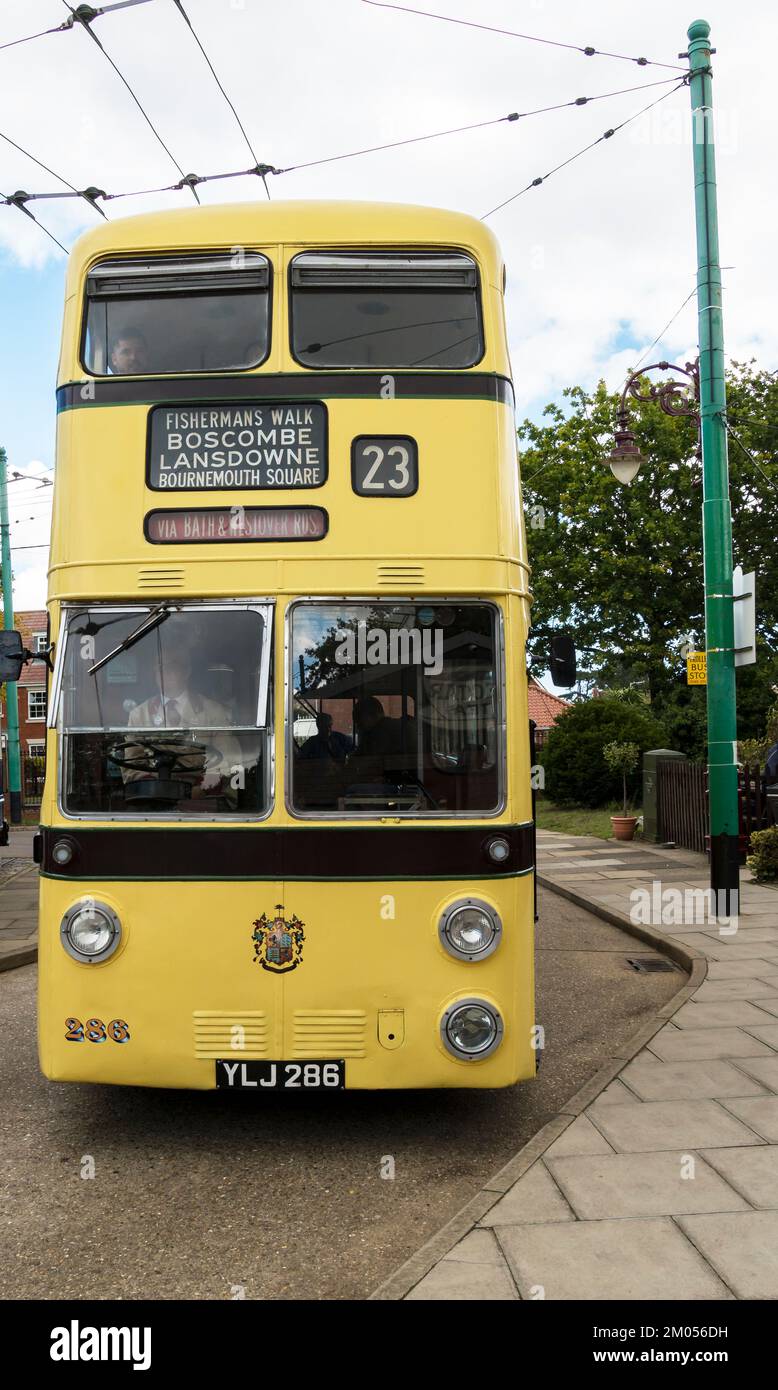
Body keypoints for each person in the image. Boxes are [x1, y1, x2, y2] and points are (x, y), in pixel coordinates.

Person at [122, 636, 242, 804]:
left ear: (186, 671)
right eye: (159, 668)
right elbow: (131, 766)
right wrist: (156, 788)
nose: (164, 673)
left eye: (172, 666)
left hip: (200, 798)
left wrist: (199, 790)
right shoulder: (138, 715)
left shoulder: (214, 712)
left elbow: (227, 759)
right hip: (152, 799)